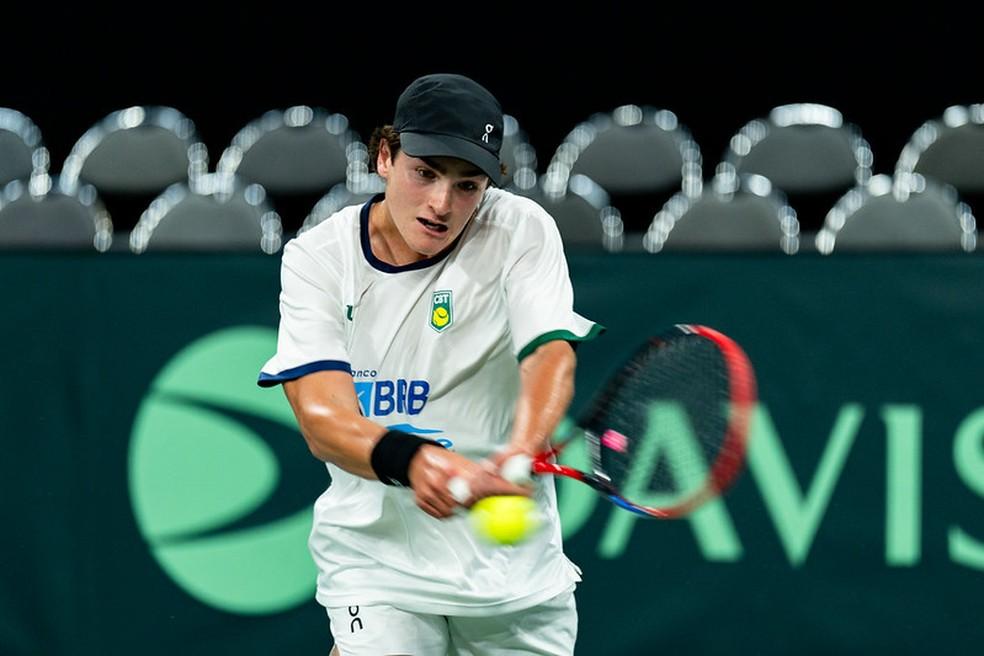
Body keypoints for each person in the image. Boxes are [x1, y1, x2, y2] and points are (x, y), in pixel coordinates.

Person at [257, 72, 603, 655]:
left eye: (467, 185)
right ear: (386, 157)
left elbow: (550, 353)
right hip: (378, 564)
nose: (442, 205)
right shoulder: (318, 259)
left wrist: (521, 448)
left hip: (514, 582)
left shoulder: (521, 230)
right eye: (426, 173)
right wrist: (409, 459)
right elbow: (319, 413)